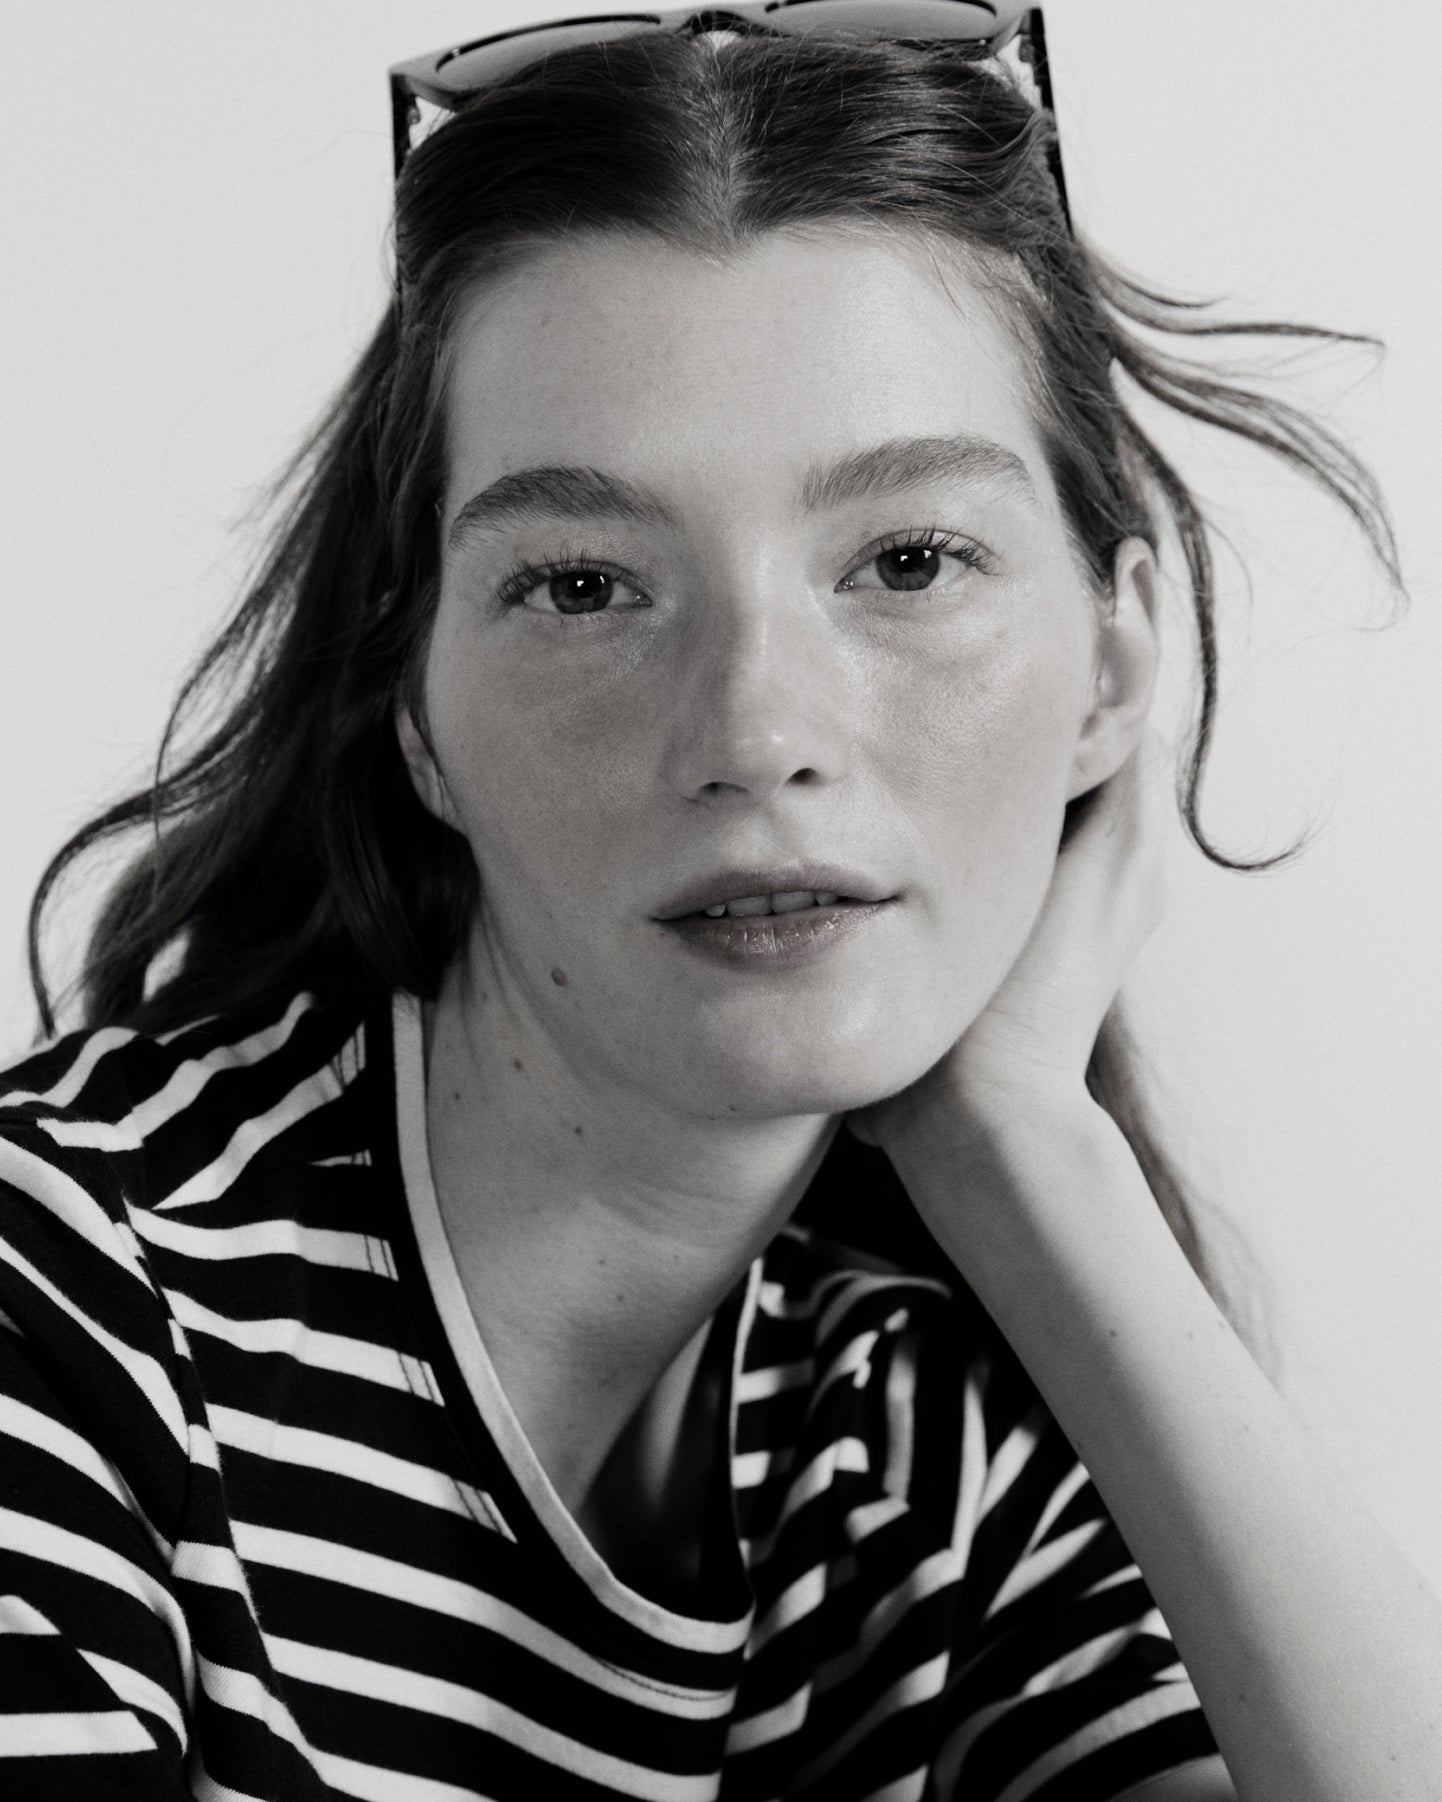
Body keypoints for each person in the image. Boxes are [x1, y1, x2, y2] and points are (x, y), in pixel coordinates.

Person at [1, 4, 1438, 1798]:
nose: (755, 733)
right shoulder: (57, 1300)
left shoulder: (916, 1453)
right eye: (583, 585)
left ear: (1111, 663)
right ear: (412, 706)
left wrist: (1025, 1148)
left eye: (907, 560)